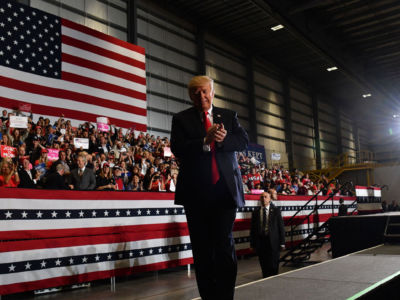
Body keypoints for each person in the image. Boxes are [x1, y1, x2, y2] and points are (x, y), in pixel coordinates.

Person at [171, 75, 248, 300]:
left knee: (224, 246)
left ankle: (225, 296)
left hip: (225, 192)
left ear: (212, 92)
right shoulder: (181, 119)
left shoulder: (230, 116)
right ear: (190, 95)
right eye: (196, 92)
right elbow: (178, 148)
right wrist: (204, 141)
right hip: (196, 195)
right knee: (202, 250)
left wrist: (223, 140)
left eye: (204, 91)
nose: (201, 96)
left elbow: (243, 141)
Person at [250, 191, 285, 278]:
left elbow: (281, 228)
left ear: (270, 199)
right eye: (262, 197)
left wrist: (282, 242)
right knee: (263, 263)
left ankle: (273, 279)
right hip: (261, 242)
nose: (263, 199)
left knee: (273, 264)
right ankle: (265, 278)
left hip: (273, 242)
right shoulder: (256, 212)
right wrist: (252, 244)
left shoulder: (276, 211)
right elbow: (253, 230)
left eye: (265, 197)